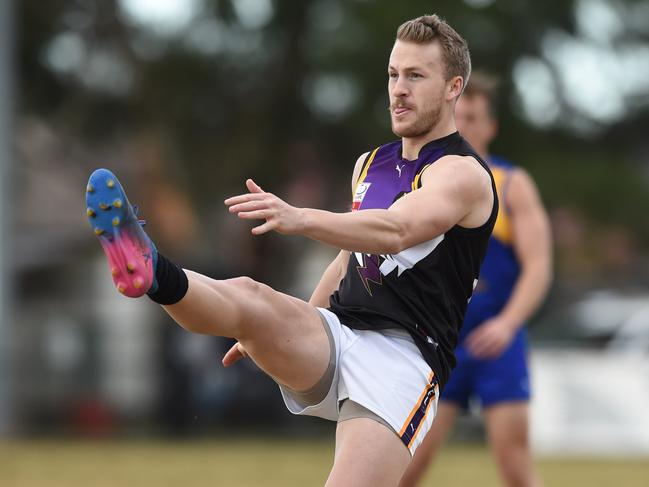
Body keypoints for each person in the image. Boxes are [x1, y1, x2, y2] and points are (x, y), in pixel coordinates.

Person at [85, 15, 497, 487]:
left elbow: (397, 229)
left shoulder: (462, 173)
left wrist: (301, 218)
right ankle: (150, 269)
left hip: (403, 358)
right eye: (393, 74)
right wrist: (283, 324)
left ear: (453, 87)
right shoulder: (371, 163)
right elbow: (350, 257)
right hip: (338, 333)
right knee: (249, 298)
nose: (399, 89)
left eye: (416, 76)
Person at [398, 73, 552, 487]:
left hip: (494, 341)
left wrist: (507, 324)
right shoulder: (425, 180)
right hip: (439, 338)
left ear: (490, 127)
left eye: (472, 116)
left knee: (515, 466)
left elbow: (539, 266)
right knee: (405, 466)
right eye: (457, 114)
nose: (463, 124)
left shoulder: (511, 184)